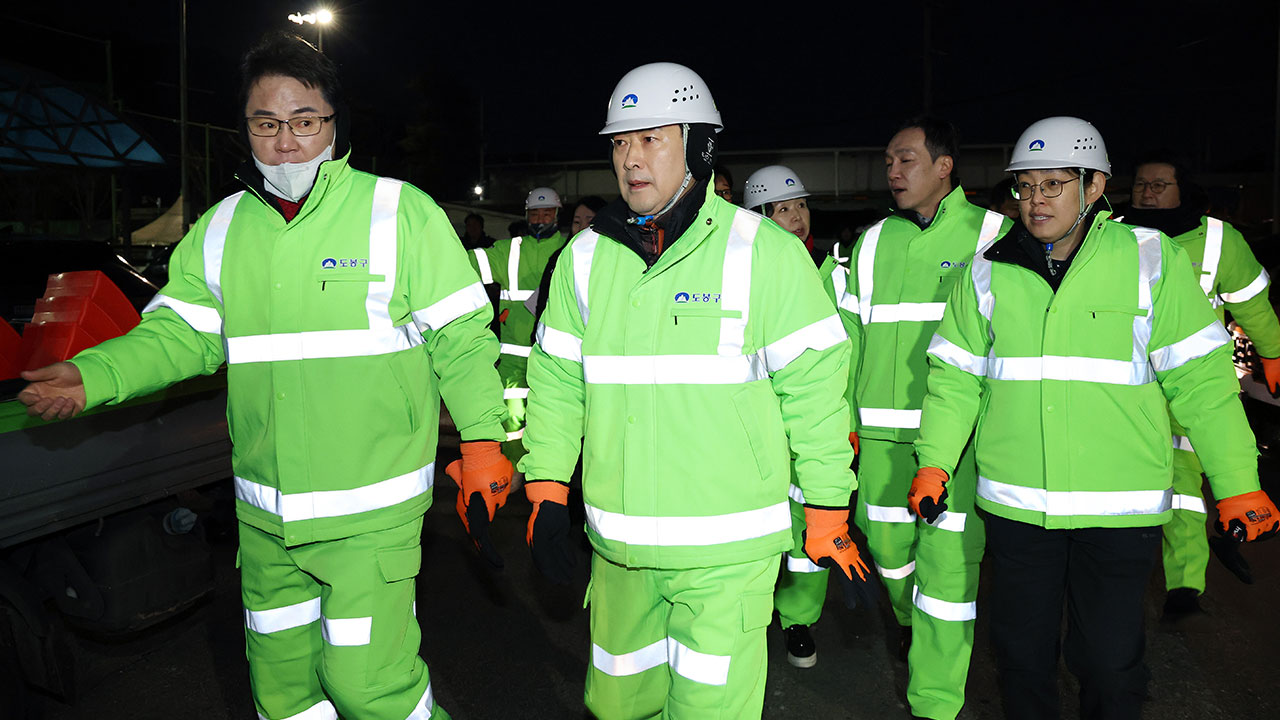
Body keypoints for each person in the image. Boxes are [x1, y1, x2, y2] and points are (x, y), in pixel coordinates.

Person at [17, 33, 513, 720]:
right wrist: (94, 372)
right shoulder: (221, 229)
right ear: (245, 128)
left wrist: (484, 442)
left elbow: (460, 337)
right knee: (285, 694)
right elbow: (179, 333)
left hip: (369, 515)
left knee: (370, 688)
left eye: (304, 121)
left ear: (335, 124)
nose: (284, 143)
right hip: (266, 517)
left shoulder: (399, 213)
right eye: (265, 123)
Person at [519, 62, 873, 719]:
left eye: (651, 139)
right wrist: (545, 488)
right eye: (620, 142)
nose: (630, 158)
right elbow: (558, 383)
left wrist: (827, 508)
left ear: (699, 146)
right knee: (619, 707)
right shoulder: (584, 258)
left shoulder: (762, 252)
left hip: (726, 554)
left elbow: (815, 391)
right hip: (619, 551)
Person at [912, 116, 1278, 720]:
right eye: (1026, 186)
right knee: (1022, 658)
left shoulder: (1149, 260)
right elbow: (954, 381)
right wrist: (934, 464)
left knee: (1108, 663)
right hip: (1018, 507)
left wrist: (1239, 484)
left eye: (1054, 185)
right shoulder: (986, 271)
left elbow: (1202, 384)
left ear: (1096, 185)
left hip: (1118, 509)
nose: (1036, 200)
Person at [847, 115, 1009, 720]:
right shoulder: (870, 243)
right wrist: (843, 421)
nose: (893, 171)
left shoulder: (993, 233)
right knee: (889, 555)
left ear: (944, 166)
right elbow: (849, 339)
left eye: (906, 159)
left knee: (947, 574)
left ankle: (935, 702)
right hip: (880, 440)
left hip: (959, 443)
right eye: (888, 161)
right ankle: (912, 623)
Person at [1122, 151, 1280, 618]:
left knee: (1184, 488)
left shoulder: (1218, 239)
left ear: (1183, 190)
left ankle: (1185, 585)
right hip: (1129, 387)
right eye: (1141, 184)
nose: (1147, 192)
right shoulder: (1112, 233)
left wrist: (1273, 354)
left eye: (1159, 185)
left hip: (1194, 385)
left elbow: (1253, 306)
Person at [744, 164, 861, 669]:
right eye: (782, 209)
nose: (796, 216)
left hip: (815, 426)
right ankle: (746, 619)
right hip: (756, 431)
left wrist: (849, 424)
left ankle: (798, 621)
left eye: (801, 206)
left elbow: (854, 355)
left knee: (810, 523)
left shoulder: (836, 275)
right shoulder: (741, 275)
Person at [468, 187, 570, 475]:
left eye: (547, 213)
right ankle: (511, 473)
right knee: (511, 421)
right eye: (535, 214)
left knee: (551, 420)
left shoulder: (571, 249)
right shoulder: (509, 251)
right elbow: (464, 263)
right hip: (513, 359)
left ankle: (545, 477)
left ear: (557, 214)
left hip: (555, 356)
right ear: (526, 215)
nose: (540, 219)